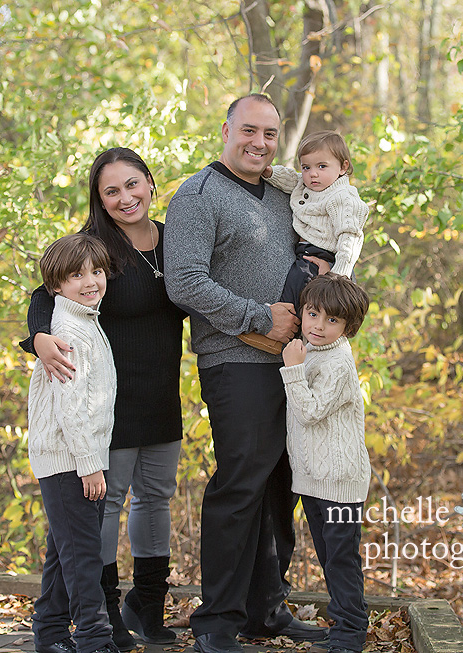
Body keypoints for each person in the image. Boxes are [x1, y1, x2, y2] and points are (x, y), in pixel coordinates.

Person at [163, 93, 330, 653]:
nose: (260, 143)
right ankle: (217, 621)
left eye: (270, 134)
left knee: (284, 483)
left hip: (295, 363)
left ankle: (267, 609)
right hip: (234, 361)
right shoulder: (198, 195)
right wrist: (259, 317)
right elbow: (183, 281)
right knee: (241, 483)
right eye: (249, 131)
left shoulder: (287, 195)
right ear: (227, 129)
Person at [21, 148, 186, 651]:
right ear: (99, 199)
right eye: (110, 190)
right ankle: (106, 617)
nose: (124, 197)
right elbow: (45, 297)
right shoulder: (95, 248)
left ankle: (149, 607)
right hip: (105, 401)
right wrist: (39, 340)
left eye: (132, 184)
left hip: (161, 391)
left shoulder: (175, 238)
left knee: (156, 499)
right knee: (105, 505)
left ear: (151, 183)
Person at [26, 233, 119, 653]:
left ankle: (49, 633)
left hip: (79, 457)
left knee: (63, 551)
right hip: (68, 460)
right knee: (82, 556)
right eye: (76, 275)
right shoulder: (67, 332)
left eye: (96, 271)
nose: (90, 281)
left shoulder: (86, 321)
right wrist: (89, 463)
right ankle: (95, 640)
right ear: (56, 286)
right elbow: (70, 407)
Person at [279, 274, 371, 653]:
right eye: (313, 314)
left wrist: (292, 370)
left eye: (331, 320)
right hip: (314, 481)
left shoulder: (336, 362)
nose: (318, 325)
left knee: (341, 560)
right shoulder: (314, 350)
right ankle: (343, 626)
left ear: (348, 326)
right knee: (328, 557)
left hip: (340, 485)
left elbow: (311, 412)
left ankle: (350, 632)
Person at [264, 130, 369, 311]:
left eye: (322, 166)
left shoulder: (343, 197)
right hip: (306, 251)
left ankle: (286, 317)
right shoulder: (308, 186)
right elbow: (291, 179)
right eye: (306, 167)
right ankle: (284, 315)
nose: (313, 174)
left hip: (326, 256)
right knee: (293, 282)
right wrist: (270, 172)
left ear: (343, 167)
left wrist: (339, 276)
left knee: (303, 285)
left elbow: (350, 236)